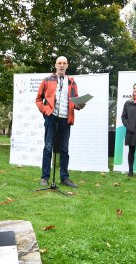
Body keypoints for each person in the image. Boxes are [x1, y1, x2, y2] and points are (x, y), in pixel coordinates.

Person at [35, 56, 85, 188]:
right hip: (51, 117)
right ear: (56, 65)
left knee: (64, 149)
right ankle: (45, 177)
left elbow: (75, 103)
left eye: (64, 63)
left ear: (67, 66)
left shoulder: (72, 82)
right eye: (59, 63)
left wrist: (80, 104)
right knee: (48, 147)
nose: (61, 65)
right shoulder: (47, 80)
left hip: (65, 119)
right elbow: (38, 99)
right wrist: (44, 110)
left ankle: (64, 178)